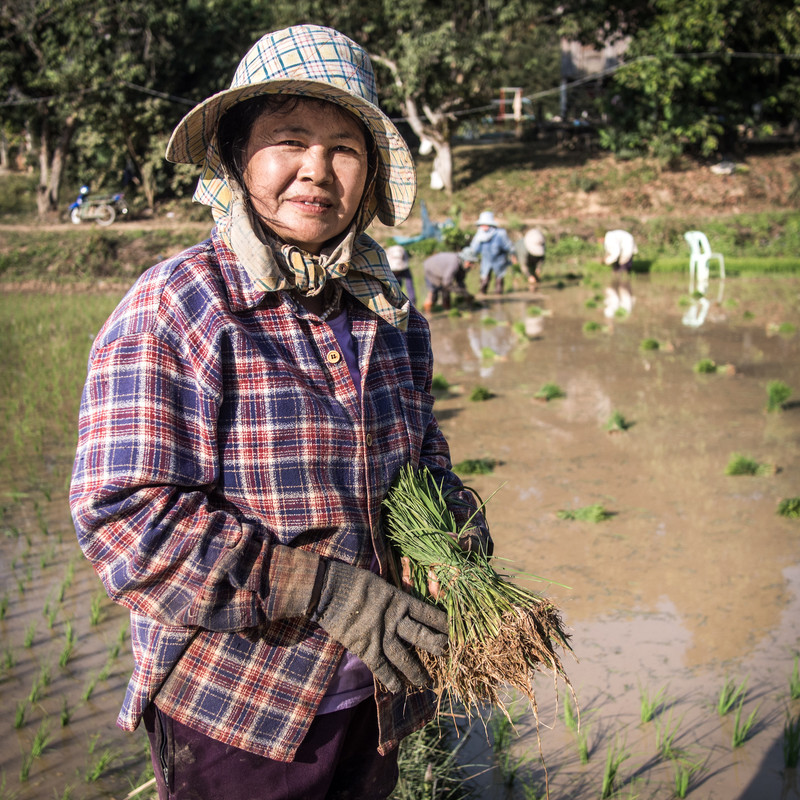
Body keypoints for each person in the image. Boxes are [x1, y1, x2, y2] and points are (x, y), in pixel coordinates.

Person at [69, 25, 490, 800]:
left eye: (344, 147)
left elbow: (423, 461)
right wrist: (319, 587)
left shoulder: (390, 315)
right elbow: (122, 517)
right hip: (237, 713)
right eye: (289, 141)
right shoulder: (181, 305)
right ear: (236, 158)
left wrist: (456, 532)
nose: (316, 171)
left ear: (370, 175)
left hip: (377, 698)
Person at [470, 210, 516, 294]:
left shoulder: (500, 233)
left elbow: (508, 246)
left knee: (499, 280)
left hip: (499, 259)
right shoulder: (479, 235)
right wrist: (472, 259)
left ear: (491, 224)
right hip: (486, 260)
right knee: (484, 280)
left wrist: (512, 254)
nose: (483, 226)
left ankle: (498, 299)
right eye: (482, 224)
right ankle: (482, 297)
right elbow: (474, 249)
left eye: (485, 224)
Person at [422, 247, 477, 313]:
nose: (471, 265)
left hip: (441, 271)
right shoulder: (454, 264)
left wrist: (466, 293)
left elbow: (460, 281)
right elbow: (446, 284)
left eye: (472, 263)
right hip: (431, 269)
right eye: (470, 262)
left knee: (446, 288)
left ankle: (446, 308)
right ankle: (427, 314)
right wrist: (461, 291)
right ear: (464, 259)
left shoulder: (461, 265)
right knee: (433, 293)